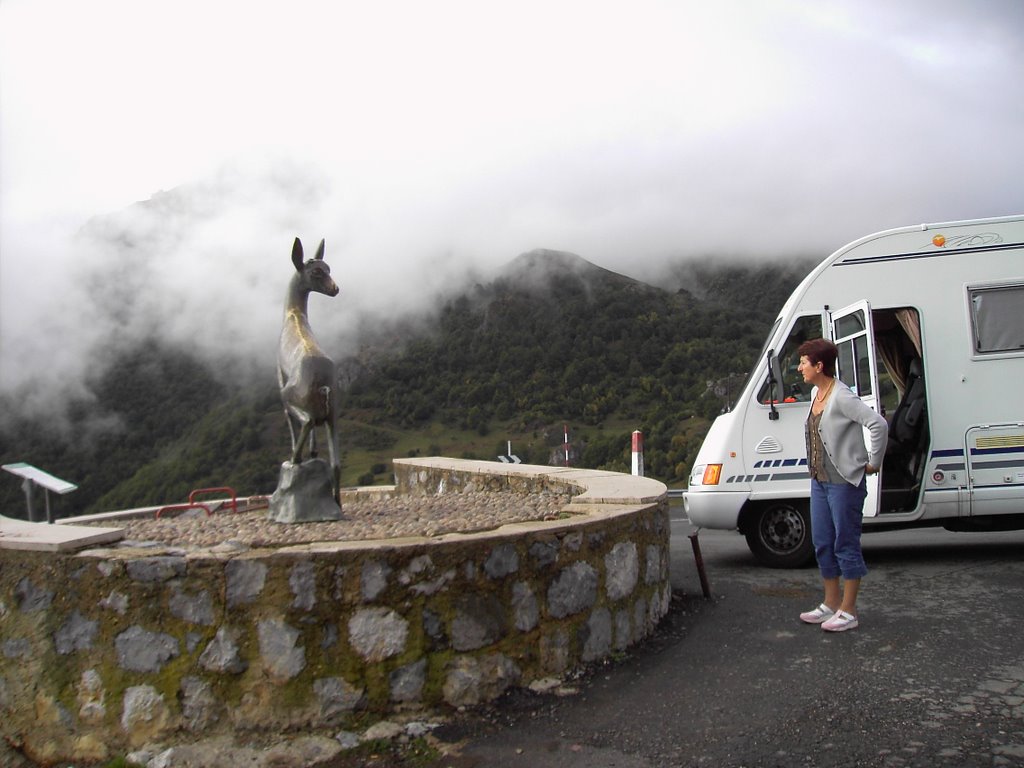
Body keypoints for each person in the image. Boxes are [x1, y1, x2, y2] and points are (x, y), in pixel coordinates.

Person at [795, 338, 887, 632]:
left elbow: (878, 424)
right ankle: (830, 604)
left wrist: (874, 462)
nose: (799, 368)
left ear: (819, 366)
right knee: (822, 542)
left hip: (844, 482)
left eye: (804, 363)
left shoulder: (842, 396)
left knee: (845, 543)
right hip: (820, 481)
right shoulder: (815, 393)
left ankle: (849, 611)